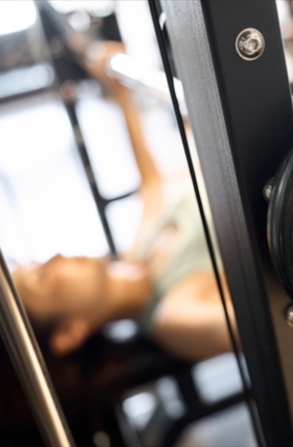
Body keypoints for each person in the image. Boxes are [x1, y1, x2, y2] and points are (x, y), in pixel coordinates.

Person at [12, 41, 233, 362]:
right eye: (42, 278)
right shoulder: (173, 316)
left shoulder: (137, 253)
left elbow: (152, 183)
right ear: (69, 332)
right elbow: (258, 323)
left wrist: (118, 91)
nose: (56, 257)